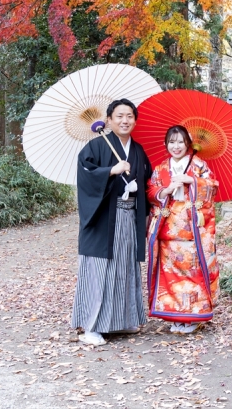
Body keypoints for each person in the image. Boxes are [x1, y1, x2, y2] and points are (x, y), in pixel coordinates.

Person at [71, 98, 153, 346]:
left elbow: (148, 182)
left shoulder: (138, 151)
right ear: (108, 120)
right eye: (119, 116)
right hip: (103, 219)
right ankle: (91, 327)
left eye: (129, 116)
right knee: (100, 271)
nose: (125, 120)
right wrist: (109, 171)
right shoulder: (95, 147)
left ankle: (119, 321)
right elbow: (85, 176)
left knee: (124, 269)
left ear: (135, 120)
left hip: (129, 218)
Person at [146, 125, 219, 333]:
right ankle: (177, 315)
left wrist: (192, 181)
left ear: (188, 144)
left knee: (193, 272)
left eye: (180, 142)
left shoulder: (198, 165)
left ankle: (194, 317)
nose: (176, 146)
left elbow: (213, 186)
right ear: (166, 144)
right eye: (171, 141)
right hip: (169, 231)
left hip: (193, 230)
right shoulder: (161, 169)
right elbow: (150, 191)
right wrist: (164, 190)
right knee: (171, 275)